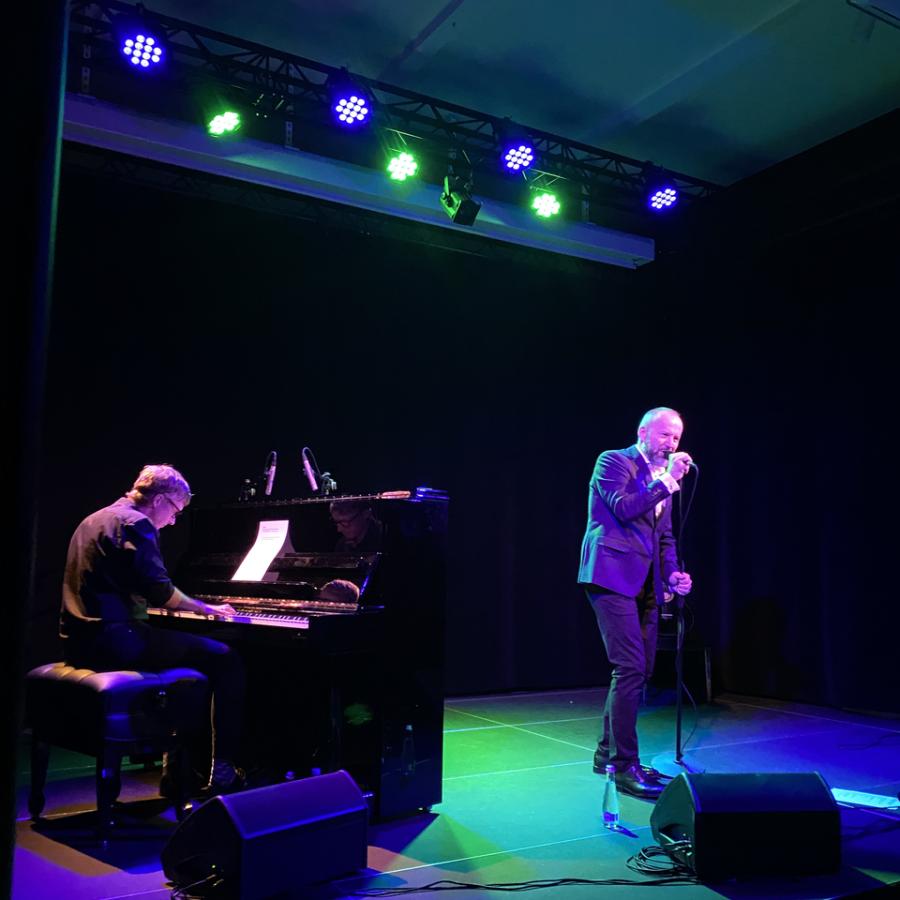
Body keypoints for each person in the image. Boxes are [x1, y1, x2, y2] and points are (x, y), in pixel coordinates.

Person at [60, 464, 246, 795]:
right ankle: (222, 770)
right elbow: (161, 593)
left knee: (190, 653)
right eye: (175, 511)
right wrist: (207, 608)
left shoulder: (95, 518)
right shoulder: (137, 523)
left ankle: (176, 769)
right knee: (226, 659)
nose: (173, 521)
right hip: (116, 642)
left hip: (79, 640)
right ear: (159, 499)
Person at [577, 408, 693, 799]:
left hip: (646, 583)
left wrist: (673, 575)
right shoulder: (614, 461)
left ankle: (606, 754)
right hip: (609, 574)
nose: (671, 444)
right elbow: (624, 507)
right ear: (643, 432)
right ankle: (624, 765)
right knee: (628, 667)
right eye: (664, 435)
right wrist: (667, 480)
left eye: (676, 438)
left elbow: (665, 537)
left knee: (641, 671)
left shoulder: (663, 481)